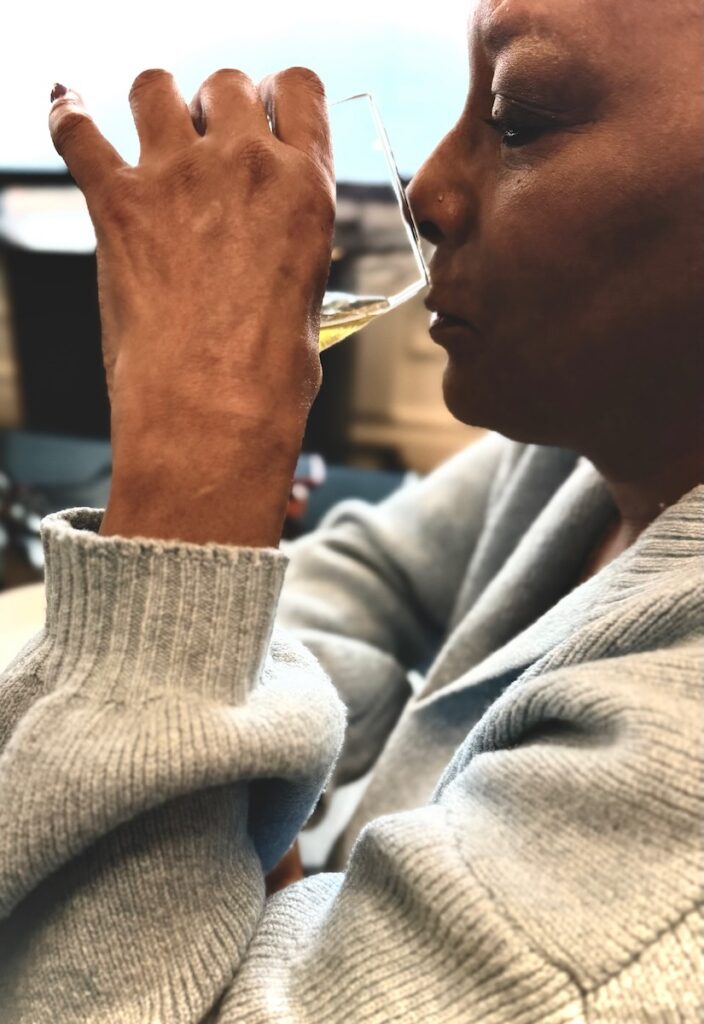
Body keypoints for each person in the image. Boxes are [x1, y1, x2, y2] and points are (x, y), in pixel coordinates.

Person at [0, 0, 702, 1018]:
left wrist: (197, 467)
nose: (424, 190)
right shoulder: (602, 446)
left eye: (516, 119)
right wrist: (237, 778)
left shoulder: (652, 867)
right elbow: (370, 575)